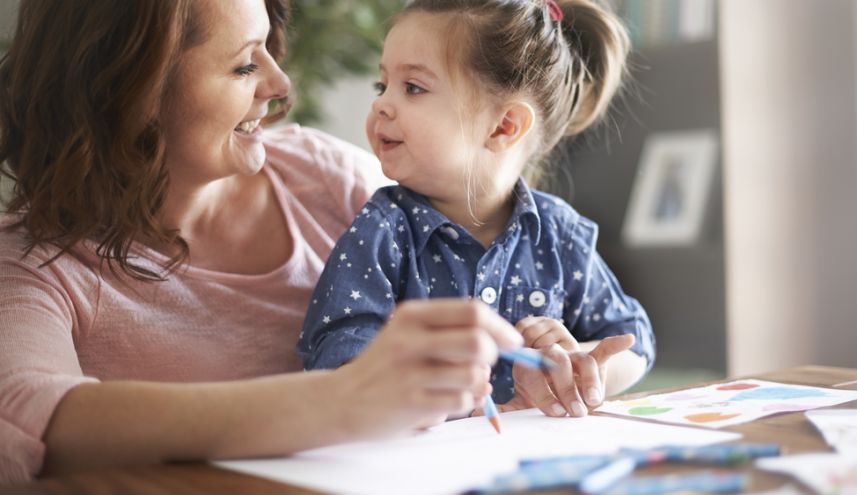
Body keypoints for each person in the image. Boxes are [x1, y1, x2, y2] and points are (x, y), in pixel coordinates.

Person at [0, 0, 527, 485]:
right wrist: (343, 399)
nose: (280, 84)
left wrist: (541, 349)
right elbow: (26, 416)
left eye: (267, 51)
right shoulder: (32, 265)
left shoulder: (327, 178)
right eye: (245, 65)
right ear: (133, 92)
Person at [298, 0, 656, 418]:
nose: (381, 104)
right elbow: (333, 357)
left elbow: (634, 340)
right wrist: (414, 380)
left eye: (413, 87)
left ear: (504, 127)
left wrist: (579, 365)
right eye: (383, 85)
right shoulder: (382, 230)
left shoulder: (561, 235)